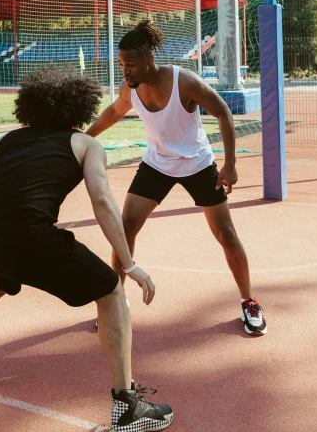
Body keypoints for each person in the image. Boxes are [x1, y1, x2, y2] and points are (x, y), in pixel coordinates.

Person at [0, 66, 174, 431]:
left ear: (29, 105)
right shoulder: (85, 144)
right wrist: (127, 263)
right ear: (80, 107)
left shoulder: (7, 140)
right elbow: (102, 202)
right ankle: (126, 406)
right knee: (110, 291)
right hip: (30, 239)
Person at [86, 19, 267, 336]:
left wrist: (230, 164)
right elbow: (115, 111)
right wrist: (86, 138)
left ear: (149, 59)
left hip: (197, 163)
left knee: (225, 233)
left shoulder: (185, 82)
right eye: (121, 64)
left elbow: (223, 112)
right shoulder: (130, 89)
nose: (125, 71)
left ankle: (248, 301)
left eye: (130, 64)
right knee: (125, 228)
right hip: (157, 163)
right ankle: (116, 301)